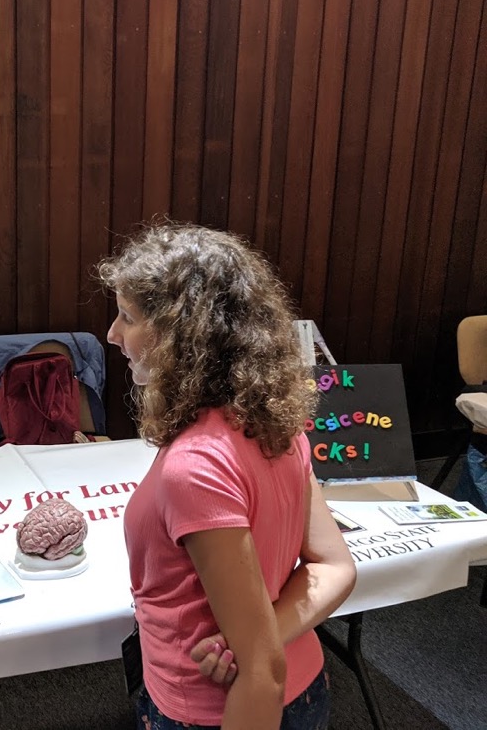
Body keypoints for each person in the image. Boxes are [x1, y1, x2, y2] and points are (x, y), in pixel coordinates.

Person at [98, 221, 356, 729]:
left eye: (127, 317)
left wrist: (252, 647)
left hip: (220, 709)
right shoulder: (271, 423)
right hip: (305, 691)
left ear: (180, 336)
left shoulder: (194, 467)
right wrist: (259, 637)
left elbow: (260, 671)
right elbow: (335, 568)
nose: (112, 334)